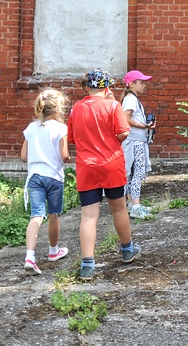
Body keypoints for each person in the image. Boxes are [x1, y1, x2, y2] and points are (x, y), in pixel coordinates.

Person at [67, 69, 140, 281]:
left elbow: (72, 137)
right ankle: (127, 250)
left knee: (89, 215)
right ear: (107, 87)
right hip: (111, 164)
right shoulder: (113, 105)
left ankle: (87, 264)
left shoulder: (76, 108)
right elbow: (123, 133)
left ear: (87, 88)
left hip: (86, 167)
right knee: (119, 209)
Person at [20, 89, 71, 275]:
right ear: (58, 110)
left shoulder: (31, 128)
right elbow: (64, 155)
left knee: (36, 216)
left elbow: (24, 156)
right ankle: (53, 251)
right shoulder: (61, 129)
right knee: (53, 215)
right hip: (54, 177)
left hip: (34, 177)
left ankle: (30, 256)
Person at [121, 70, 157, 219]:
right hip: (135, 142)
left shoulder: (131, 98)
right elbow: (125, 118)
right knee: (139, 172)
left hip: (134, 141)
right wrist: (143, 126)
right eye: (141, 83)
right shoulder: (131, 99)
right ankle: (136, 206)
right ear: (132, 84)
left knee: (131, 172)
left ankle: (131, 203)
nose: (144, 86)